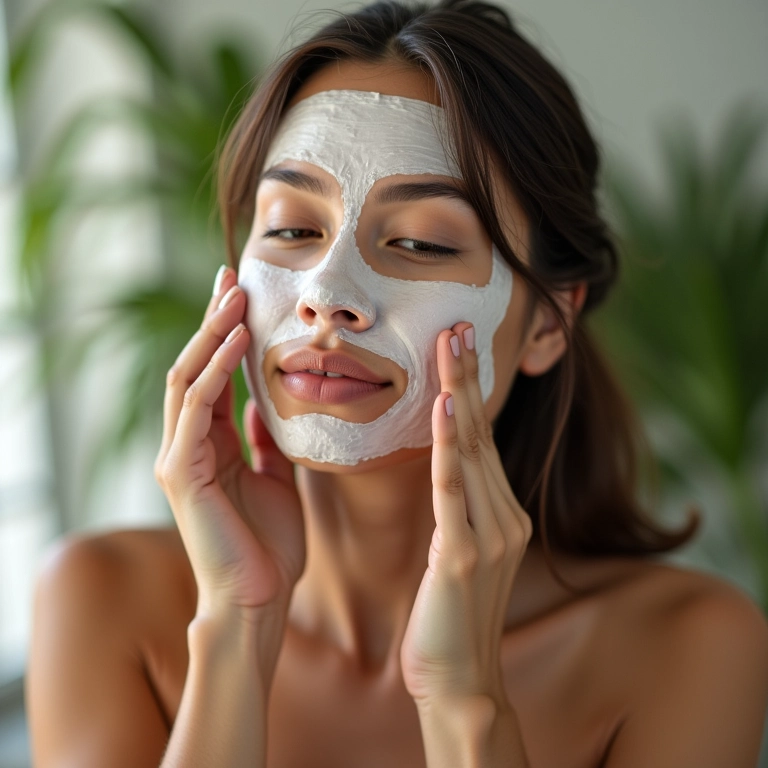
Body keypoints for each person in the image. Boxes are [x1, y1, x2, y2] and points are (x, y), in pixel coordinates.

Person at [25, 1, 768, 766]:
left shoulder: (688, 646)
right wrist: (237, 630)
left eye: (419, 242)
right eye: (291, 228)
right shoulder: (99, 600)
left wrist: (463, 696)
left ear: (548, 322)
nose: (325, 293)